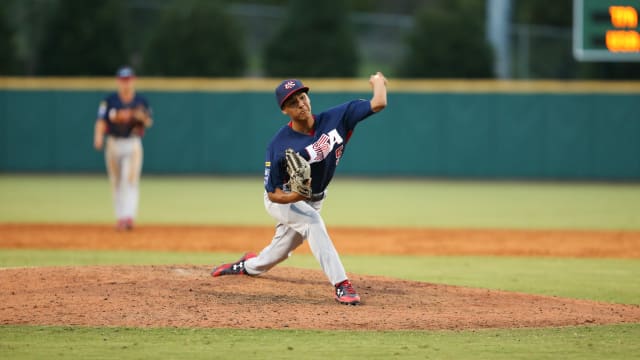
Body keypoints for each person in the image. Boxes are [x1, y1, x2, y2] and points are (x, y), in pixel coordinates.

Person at [211, 72, 388, 305]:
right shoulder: (279, 144)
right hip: (284, 199)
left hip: (315, 198)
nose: (301, 104)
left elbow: (379, 102)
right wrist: (294, 196)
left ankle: (247, 265)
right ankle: (341, 284)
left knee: (279, 251)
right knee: (313, 222)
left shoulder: (337, 118)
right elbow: (272, 192)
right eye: (293, 103)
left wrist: (378, 82)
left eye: (302, 97)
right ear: (285, 110)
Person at [93, 66, 153, 231]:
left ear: (133, 80)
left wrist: (142, 118)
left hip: (132, 143)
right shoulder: (110, 100)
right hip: (113, 143)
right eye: (123, 80)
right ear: (118, 81)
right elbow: (101, 120)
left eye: (128, 79)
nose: (126, 83)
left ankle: (128, 217)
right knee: (116, 182)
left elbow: (148, 121)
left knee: (130, 180)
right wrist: (98, 136)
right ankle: (120, 218)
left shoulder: (141, 101)